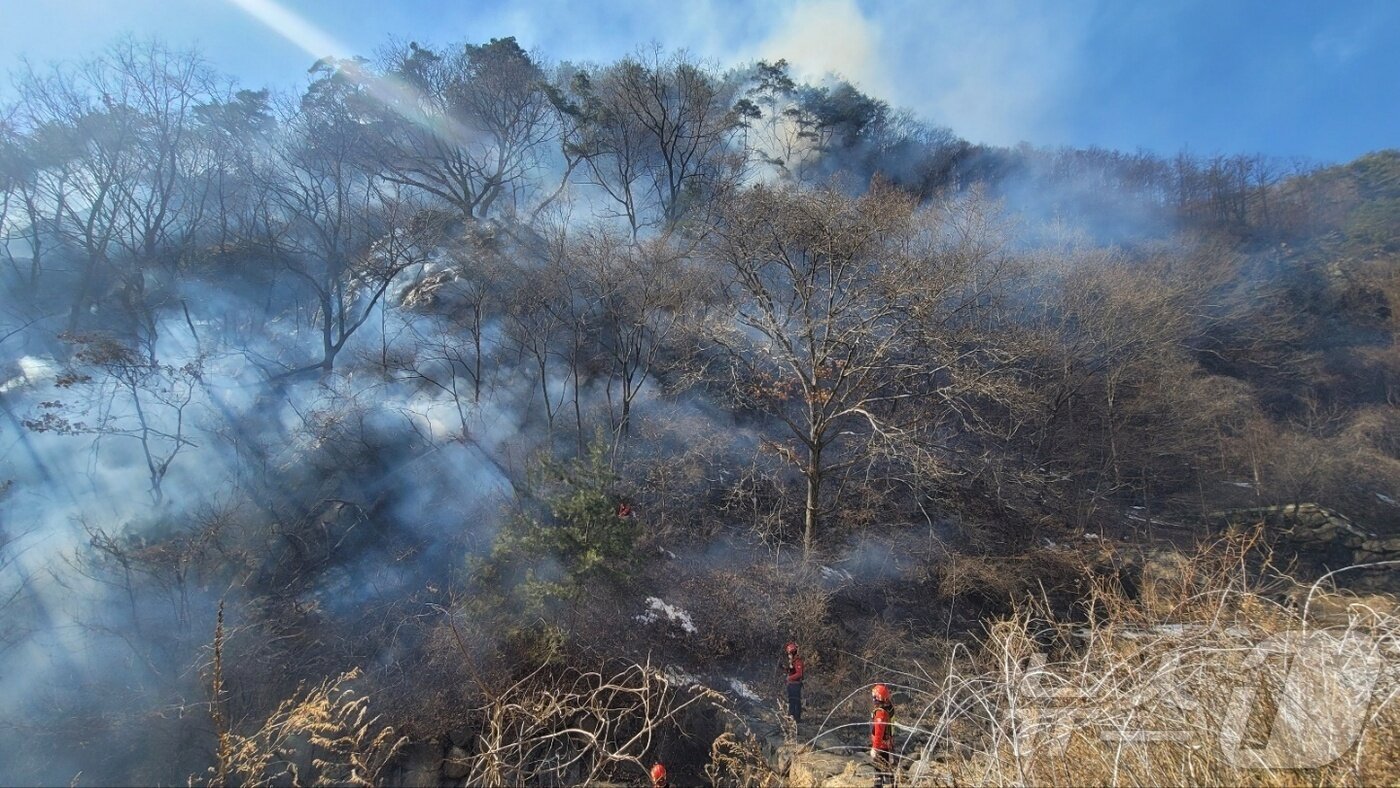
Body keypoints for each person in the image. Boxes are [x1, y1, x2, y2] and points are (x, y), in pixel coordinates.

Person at [871, 684, 894, 787]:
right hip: (889, 745)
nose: (873, 699)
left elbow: (879, 732)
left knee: (878, 774)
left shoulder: (880, 713)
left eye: (874, 697)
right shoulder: (890, 708)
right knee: (889, 772)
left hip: (881, 747)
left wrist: (875, 749)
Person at [781, 641, 804, 723]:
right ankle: (791, 717)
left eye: (789, 653)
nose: (788, 655)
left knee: (795, 701)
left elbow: (799, 674)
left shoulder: (798, 661)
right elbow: (792, 671)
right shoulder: (793, 662)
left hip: (796, 685)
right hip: (791, 685)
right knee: (791, 701)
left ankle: (796, 718)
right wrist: (785, 669)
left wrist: (789, 678)